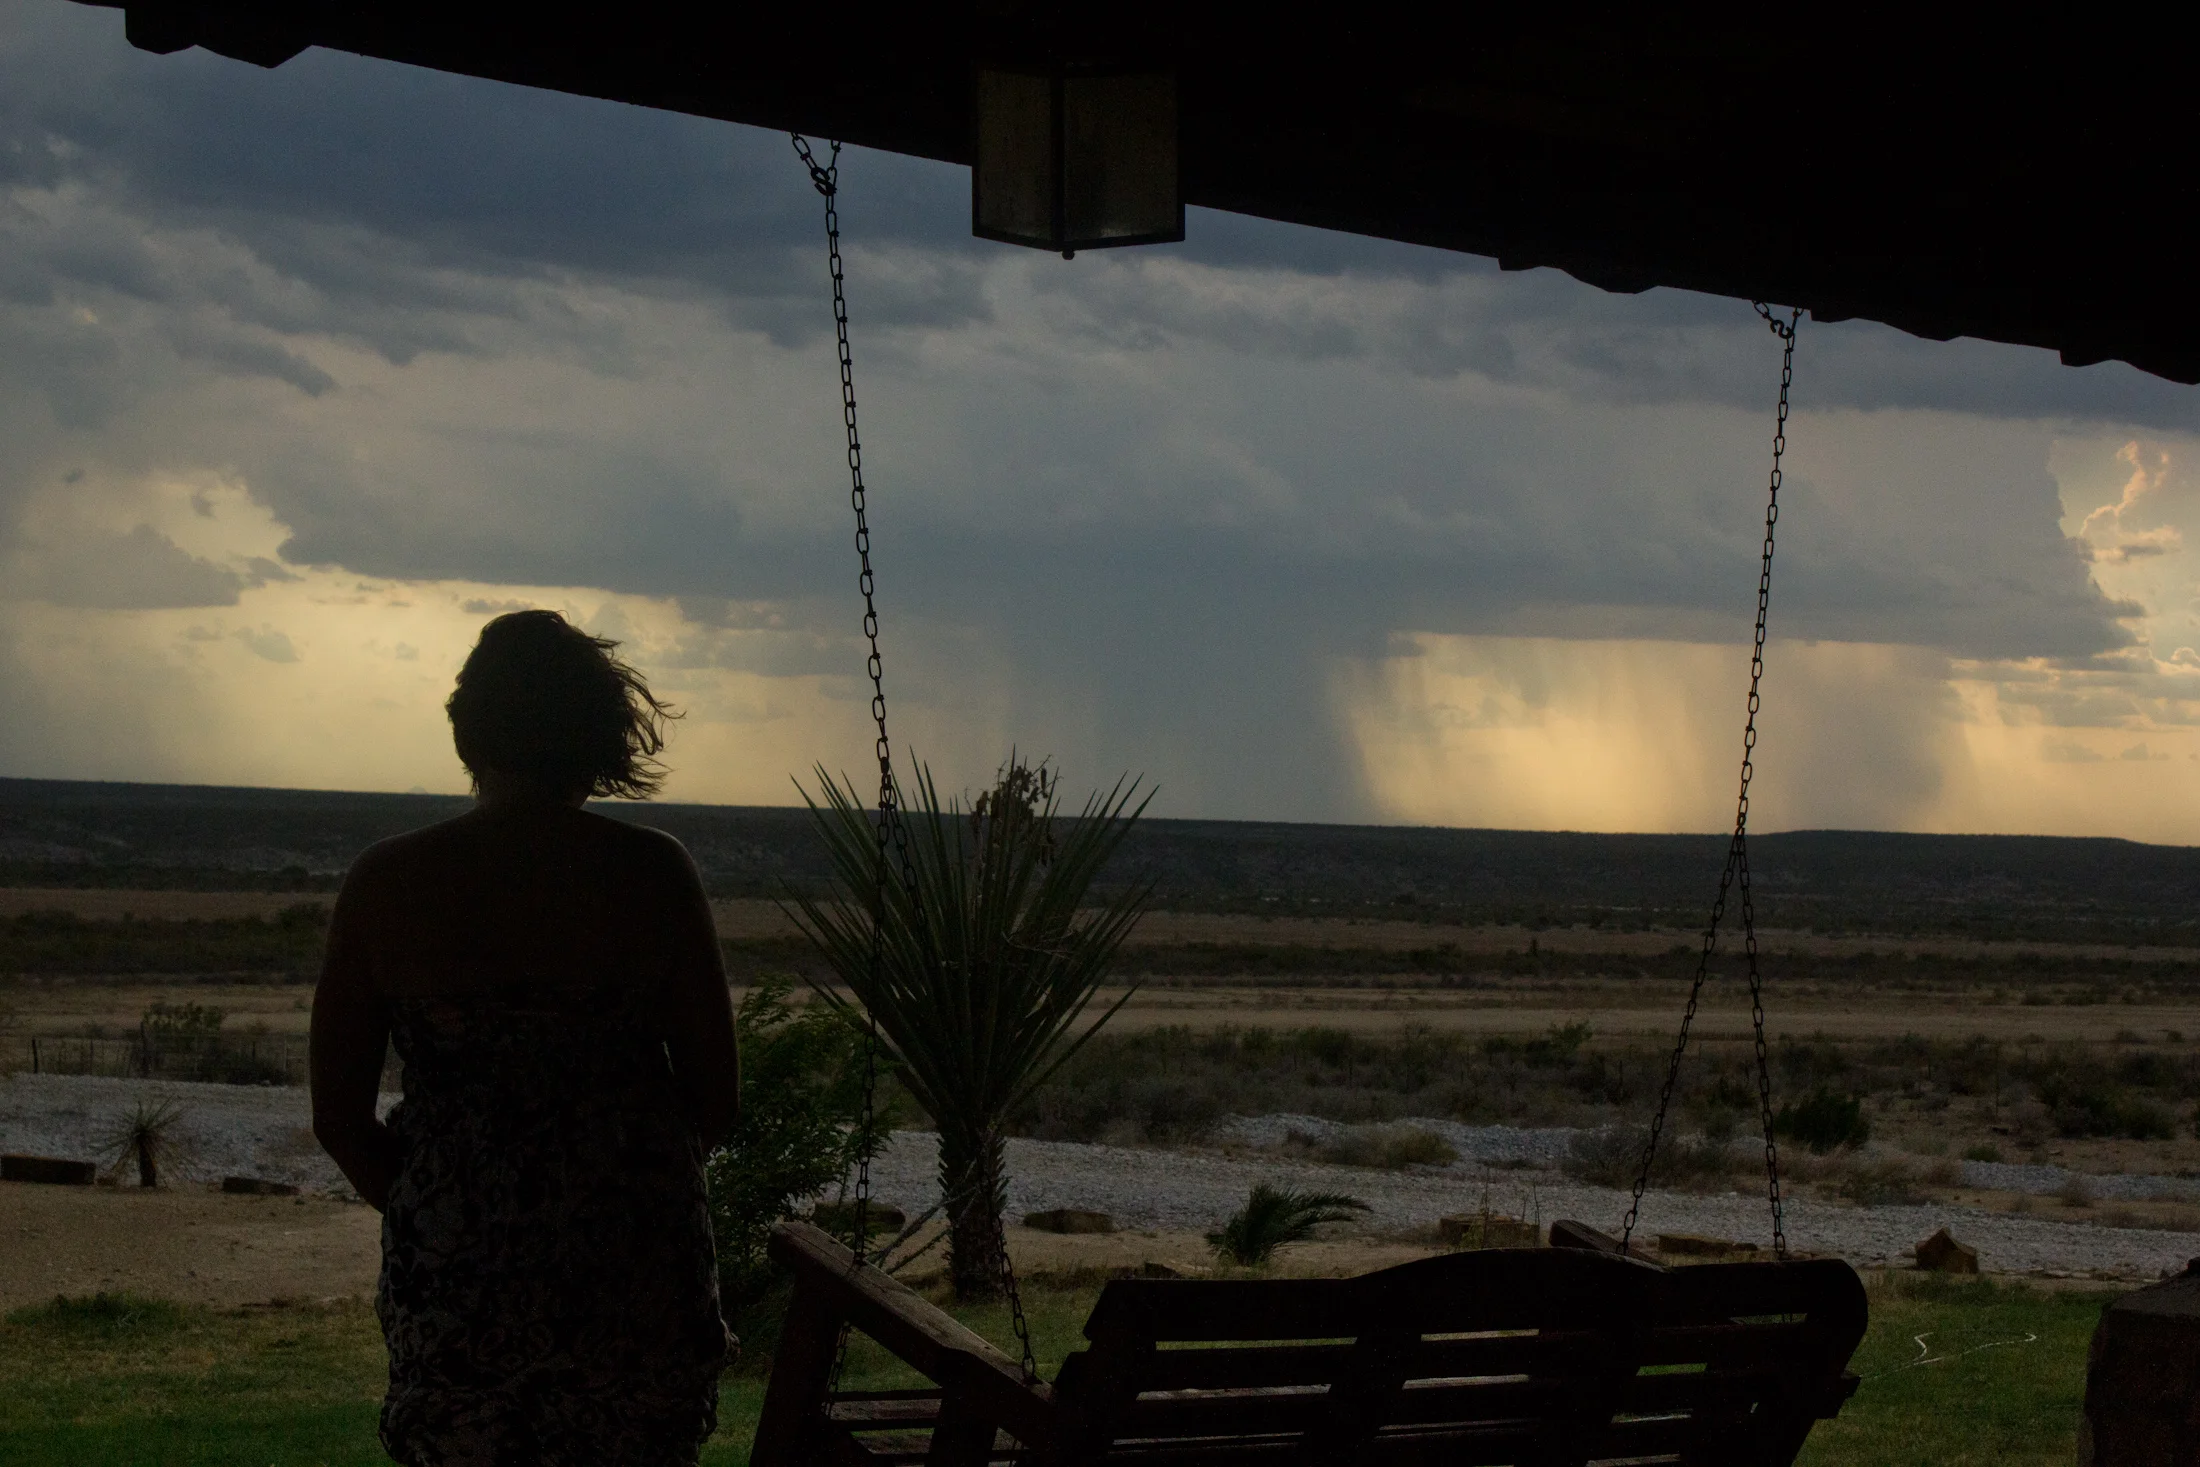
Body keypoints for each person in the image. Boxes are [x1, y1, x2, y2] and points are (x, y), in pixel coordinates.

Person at [311, 610, 739, 1467]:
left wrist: (447, 1204)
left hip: (458, 1290)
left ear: (470, 733)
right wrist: (609, 1176)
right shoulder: (652, 874)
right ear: (599, 738)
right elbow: (716, 1099)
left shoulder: (388, 883)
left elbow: (339, 1116)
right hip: (631, 1267)